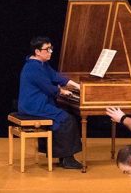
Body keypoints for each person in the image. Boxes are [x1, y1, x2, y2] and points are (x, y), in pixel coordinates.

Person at [18, 36, 83, 169]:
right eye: (47, 49)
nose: (50, 52)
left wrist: (78, 86)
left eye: (51, 49)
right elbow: (48, 87)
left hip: (40, 104)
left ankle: (63, 156)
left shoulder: (42, 64)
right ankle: (67, 159)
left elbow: (57, 77)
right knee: (67, 120)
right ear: (37, 52)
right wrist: (62, 92)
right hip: (33, 106)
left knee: (65, 116)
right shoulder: (33, 67)